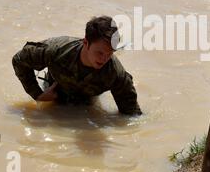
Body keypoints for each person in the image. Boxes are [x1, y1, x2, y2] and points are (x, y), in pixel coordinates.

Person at [12, 16, 142, 115]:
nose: (104, 59)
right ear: (86, 43)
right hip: (55, 92)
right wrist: (38, 95)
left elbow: (131, 115)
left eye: (110, 53)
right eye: (100, 52)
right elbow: (19, 60)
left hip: (87, 101)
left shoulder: (115, 73)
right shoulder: (56, 50)